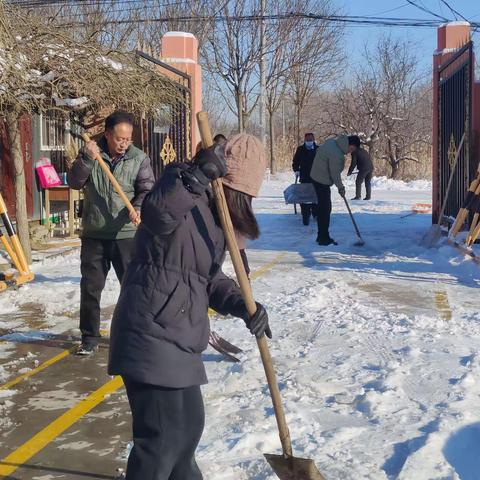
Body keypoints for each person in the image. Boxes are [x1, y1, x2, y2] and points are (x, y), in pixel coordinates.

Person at [108, 133, 271, 480]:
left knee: (185, 438)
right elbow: (156, 213)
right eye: (242, 194)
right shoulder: (182, 188)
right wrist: (196, 176)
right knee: (160, 443)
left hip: (179, 335)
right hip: (149, 332)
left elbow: (207, 279)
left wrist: (245, 306)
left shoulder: (214, 219)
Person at [67, 111, 154, 355]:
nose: (124, 144)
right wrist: (86, 158)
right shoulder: (92, 154)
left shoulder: (139, 158)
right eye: (119, 139)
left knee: (132, 289)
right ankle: (90, 338)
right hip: (95, 233)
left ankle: (134, 336)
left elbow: (147, 189)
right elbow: (74, 182)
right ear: (107, 134)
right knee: (91, 288)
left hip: (125, 234)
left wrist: (137, 207)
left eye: (128, 139)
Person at [310, 135, 357, 246]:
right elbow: (335, 174)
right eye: (351, 149)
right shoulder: (337, 154)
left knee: (324, 208)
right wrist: (341, 188)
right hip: (322, 181)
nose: (350, 152)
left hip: (316, 176)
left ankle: (321, 236)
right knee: (325, 210)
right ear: (348, 144)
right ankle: (323, 238)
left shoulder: (332, 142)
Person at [292, 132, 318, 225]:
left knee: (315, 197)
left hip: (316, 178)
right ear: (305, 140)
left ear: (314, 139)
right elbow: (295, 162)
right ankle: (305, 215)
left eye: (311, 140)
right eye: (307, 140)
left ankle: (316, 214)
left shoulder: (318, 149)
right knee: (304, 198)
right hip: (304, 177)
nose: (309, 141)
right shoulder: (300, 149)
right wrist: (296, 170)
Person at [347, 135, 374, 200]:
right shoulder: (363, 150)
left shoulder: (354, 152)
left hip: (363, 168)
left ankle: (358, 196)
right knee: (367, 182)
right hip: (370, 167)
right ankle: (368, 196)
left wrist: (350, 171)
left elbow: (353, 163)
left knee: (358, 182)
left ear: (353, 146)